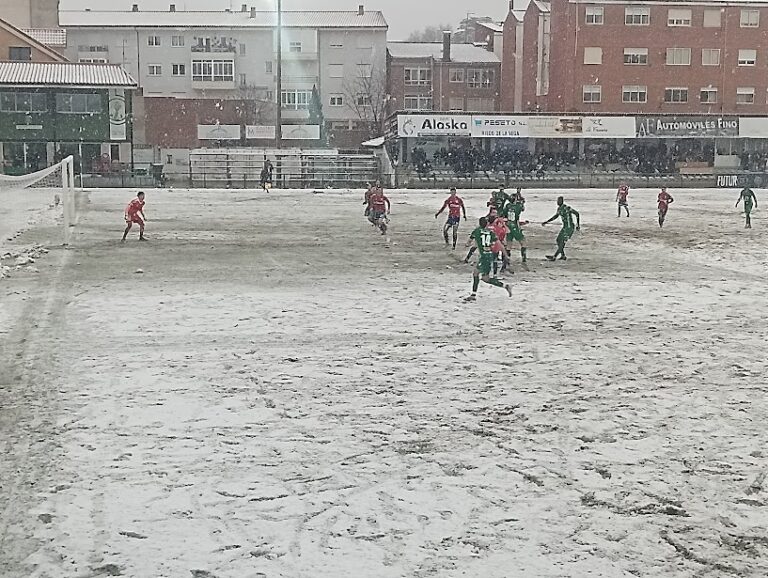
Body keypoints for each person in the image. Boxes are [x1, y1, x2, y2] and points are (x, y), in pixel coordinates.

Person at [465, 217, 513, 302]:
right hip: (489, 255)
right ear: (486, 224)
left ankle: (473, 295)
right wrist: (506, 255)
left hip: (484, 256)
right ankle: (505, 286)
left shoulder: (477, 231)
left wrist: (468, 244)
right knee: (485, 278)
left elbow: (469, 242)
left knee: (476, 273)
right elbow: (500, 244)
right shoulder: (491, 232)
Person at [542, 196, 580, 261]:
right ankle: (563, 256)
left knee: (562, 242)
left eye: (558, 201)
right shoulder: (559, 209)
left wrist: (578, 224)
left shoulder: (567, 208)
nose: (557, 202)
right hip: (565, 227)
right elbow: (555, 216)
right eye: (557, 201)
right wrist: (547, 222)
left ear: (562, 201)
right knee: (558, 240)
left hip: (569, 227)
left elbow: (577, 214)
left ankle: (554, 256)